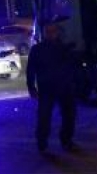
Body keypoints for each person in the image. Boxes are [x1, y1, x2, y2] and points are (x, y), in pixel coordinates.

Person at [26, 20, 79, 152]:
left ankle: (65, 140)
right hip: (48, 88)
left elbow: (71, 67)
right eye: (48, 32)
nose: (51, 34)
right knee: (45, 116)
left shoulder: (61, 48)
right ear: (44, 33)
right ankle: (43, 142)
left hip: (63, 86)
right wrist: (31, 87)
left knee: (68, 115)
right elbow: (31, 69)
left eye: (53, 31)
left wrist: (73, 82)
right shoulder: (38, 49)